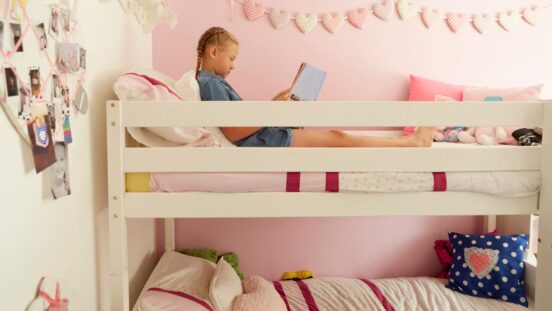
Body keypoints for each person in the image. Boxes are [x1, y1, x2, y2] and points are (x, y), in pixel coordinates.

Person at [195, 27, 435, 148]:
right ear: (213, 52)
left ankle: (410, 142)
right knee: (338, 137)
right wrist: (272, 110)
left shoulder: (214, 83)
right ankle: (412, 143)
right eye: (232, 58)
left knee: (338, 136)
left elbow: (238, 123)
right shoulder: (209, 82)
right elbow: (233, 132)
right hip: (267, 141)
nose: (233, 65)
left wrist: (274, 104)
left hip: (266, 135)